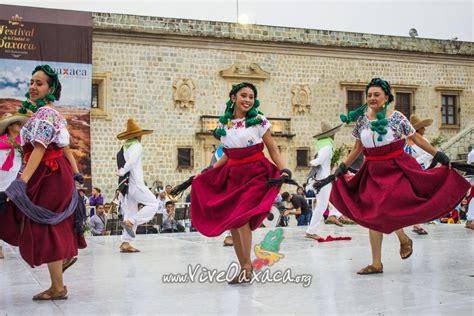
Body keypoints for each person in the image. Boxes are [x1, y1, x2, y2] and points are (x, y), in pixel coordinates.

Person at [330, 78, 470, 275]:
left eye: (376, 94)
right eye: (369, 95)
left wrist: (438, 154)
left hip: (396, 168)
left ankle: (402, 239)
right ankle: (378, 261)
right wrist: (343, 166)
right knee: (374, 213)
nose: (372, 98)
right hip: (371, 170)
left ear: (386, 97)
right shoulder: (361, 120)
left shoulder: (397, 118)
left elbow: (416, 138)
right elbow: (357, 148)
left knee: (385, 207)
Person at [0, 65, 87, 300]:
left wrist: (22, 181)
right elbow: (65, 147)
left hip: (50, 175)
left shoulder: (46, 114)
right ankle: (61, 266)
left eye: (40, 83)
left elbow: (40, 149)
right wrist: (77, 173)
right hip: (50, 174)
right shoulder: (43, 114)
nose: (33, 87)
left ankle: (58, 286)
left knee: (46, 224)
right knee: (41, 223)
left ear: (51, 88)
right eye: (32, 82)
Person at [190, 82, 291, 284]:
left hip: (255, 173)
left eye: (251, 97)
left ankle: (246, 267)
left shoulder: (259, 121)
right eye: (243, 95)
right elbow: (227, 154)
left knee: (241, 218)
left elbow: (272, 148)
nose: (247, 100)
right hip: (234, 176)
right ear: (233, 98)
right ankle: (245, 265)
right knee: (234, 223)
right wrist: (209, 171)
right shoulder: (224, 125)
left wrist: (283, 169)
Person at [116, 118, 159, 253]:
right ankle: (132, 222)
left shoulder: (124, 146)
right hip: (136, 182)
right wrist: (123, 170)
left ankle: (125, 243)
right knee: (153, 204)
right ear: (137, 135)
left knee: (131, 211)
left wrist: (122, 171)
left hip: (128, 184)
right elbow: (132, 161)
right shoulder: (137, 146)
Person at [306, 121, 343, 240]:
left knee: (328, 200)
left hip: (323, 178)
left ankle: (334, 215)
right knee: (322, 205)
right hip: (324, 179)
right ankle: (311, 231)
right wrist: (313, 163)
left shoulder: (324, 145)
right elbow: (319, 160)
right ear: (330, 135)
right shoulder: (327, 146)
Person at [0, 112, 29, 259]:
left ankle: (25, 243)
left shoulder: (22, 144)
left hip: (15, 184)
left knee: (20, 214)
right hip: (0, 183)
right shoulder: (0, 141)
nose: (20, 126)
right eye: (17, 124)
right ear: (10, 126)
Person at [404, 114, 435, 235]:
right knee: (418, 198)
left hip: (418, 171)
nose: (425, 130)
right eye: (423, 127)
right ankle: (417, 224)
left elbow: (429, 154)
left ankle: (417, 223)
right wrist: (413, 164)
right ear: (418, 129)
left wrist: (414, 163)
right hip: (415, 172)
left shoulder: (413, 141)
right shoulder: (412, 141)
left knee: (418, 198)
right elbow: (430, 153)